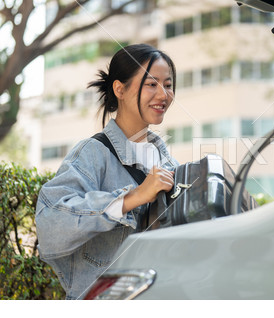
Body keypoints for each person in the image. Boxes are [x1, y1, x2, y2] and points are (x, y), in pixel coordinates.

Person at [35, 44, 178, 300]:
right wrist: (131, 198)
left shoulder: (169, 165)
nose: (163, 94)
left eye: (168, 85)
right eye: (151, 84)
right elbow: (50, 223)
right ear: (119, 89)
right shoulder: (93, 152)